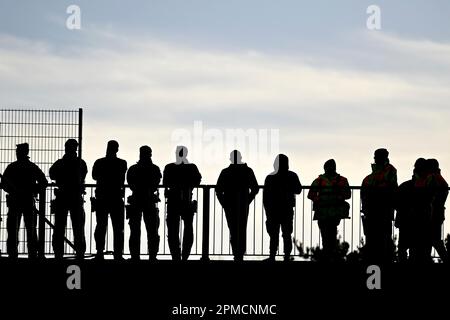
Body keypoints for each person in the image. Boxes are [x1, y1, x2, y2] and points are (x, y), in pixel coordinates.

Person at [1, 143, 47, 259]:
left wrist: (12, 190)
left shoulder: (12, 167)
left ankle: (13, 254)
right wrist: (33, 189)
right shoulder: (31, 167)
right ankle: (33, 254)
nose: (17, 153)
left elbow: (4, 184)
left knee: (13, 229)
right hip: (27, 201)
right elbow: (43, 182)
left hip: (16, 201)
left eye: (18, 151)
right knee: (30, 229)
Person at [216, 150, 259, 261]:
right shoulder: (247, 171)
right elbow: (255, 188)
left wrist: (224, 203)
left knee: (233, 229)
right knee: (241, 228)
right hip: (241, 204)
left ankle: (237, 253)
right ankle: (239, 253)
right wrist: (248, 200)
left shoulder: (226, 172)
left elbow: (218, 190)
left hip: (230, 204)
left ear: (230, 159)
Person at [49, 139, 87, 260]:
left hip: (62, 197)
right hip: (75, 197)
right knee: (78, 227)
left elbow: (52, 175)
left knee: (59, 227)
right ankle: (80, 252)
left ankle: (58, 253)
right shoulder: (80, 163)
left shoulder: (59, 163)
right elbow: (83, 175)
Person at [163, 146, 201, 261]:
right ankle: (184, 256)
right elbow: (198, 181)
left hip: (173, 202)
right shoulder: (192, 167)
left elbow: (165, 182)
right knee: (188, 228)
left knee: (173, 229)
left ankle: (176, 256)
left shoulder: (169, 167)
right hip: (187, 201)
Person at [308, 159, 351, 261]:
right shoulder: (341, 180)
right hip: (329, 213)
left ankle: (328, 256)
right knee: (330, 235)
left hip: (328, 213)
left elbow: (311, 195)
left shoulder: (320, 180)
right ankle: (330, 256)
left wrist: (319, 199)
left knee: (328, 236)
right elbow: (311, 194)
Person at [92, 140, 127, 261]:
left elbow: (94, 176)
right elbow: (121, 178)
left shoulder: (99, 162)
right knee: (118, 228)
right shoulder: (122, 163)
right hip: (116, 197)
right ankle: (118, 254)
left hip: (102, 197)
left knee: (101, 226)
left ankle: (99, 252)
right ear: (117, 149)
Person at [361, 148, 398, 263]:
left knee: (384, 237)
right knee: (373, 238)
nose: (375, 159)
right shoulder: (373, 175)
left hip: (383, 209)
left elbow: (387, 187)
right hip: (372, 210)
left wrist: (373, 190)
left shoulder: (390, 171)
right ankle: (375, 259)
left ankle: (384, 259)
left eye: (376, 156)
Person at [263, 154, 302, 261]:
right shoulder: (292, 175)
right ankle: (287, 256)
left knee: (274, 234)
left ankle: (272, 256)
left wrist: (267, 210)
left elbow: (265, 197)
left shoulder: (270, 177)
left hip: (274, 210)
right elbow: (298, 190)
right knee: (286, 233)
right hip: (286, 209)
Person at [127, 146, 162, 261]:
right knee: (152, 230)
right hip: (150, 201)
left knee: (135, 230)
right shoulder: (155, 169)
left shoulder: (133, 169)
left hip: (136, 200)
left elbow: (131, 183)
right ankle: (152, 256)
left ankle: (135, 256)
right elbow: (156, 184)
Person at [427, 159, 449, 263]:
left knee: (434, 240)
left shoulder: (434, 178)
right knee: (433, 240)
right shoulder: (440, 178)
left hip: (434, 214)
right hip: (437, 213)